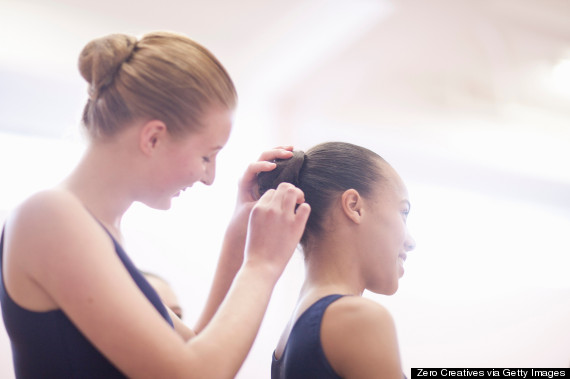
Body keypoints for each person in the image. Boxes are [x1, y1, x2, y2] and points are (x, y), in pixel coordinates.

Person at [0, 31, 310, 378]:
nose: (209, 178)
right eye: (207, 156)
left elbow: (192, 347)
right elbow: (193, 373)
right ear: (153, 137)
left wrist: (240, 234)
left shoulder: (95, 231)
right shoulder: (49, 218)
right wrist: (262, 265)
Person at [258, 142, 416, 379]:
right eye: (403, 213)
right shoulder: (356, 318)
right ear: (354, 206)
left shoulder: (295, 329)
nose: (411, 242)